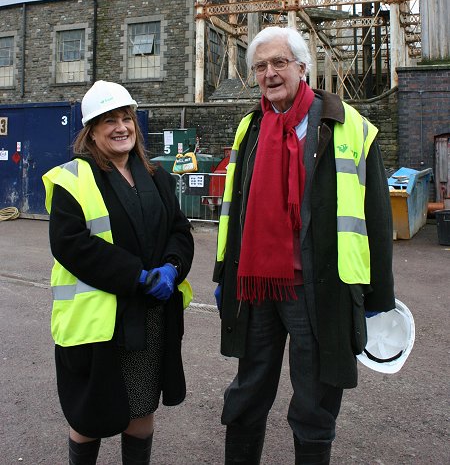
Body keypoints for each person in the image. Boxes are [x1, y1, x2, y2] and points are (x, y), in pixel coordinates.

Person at [213, 26, 395, 465]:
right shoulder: (249, 127)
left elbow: (376, 214)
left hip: (319, 285)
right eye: (260, 66)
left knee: (315, 398)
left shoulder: (348, 125)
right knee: (249, 389)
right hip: (256, 285)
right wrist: (225, 273)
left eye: (279, 63)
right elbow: (232, 211)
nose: (270, 73)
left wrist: (377, 294)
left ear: (302, 67)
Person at [43, 80, 194, 465]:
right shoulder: (72, 178)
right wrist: (138, 277)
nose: (120, 127)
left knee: (141, 410)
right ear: (90, 131)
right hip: (98, 323)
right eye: (108, 120)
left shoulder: (157, 176)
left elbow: (179, 229)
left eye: (126, 118)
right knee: (90, 415)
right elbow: (72, 245)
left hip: (149, 317)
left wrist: (171, 268)